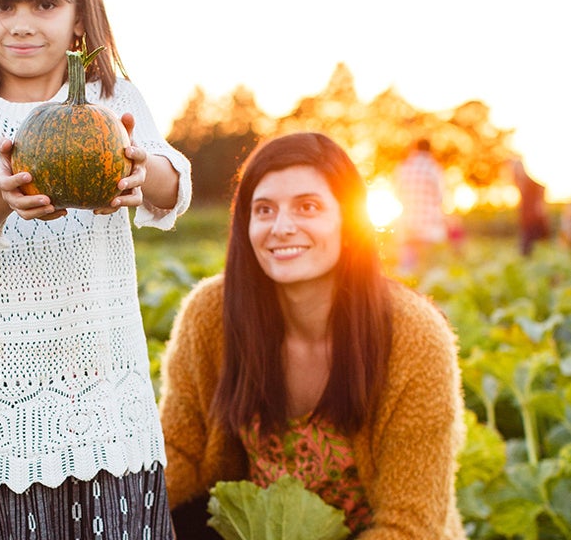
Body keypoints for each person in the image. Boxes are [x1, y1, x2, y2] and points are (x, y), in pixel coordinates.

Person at [0, 0, 191, 539]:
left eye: (44, 4)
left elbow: (173, 186)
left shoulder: (113, 99)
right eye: (2, 4)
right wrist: (0, 191)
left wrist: (138, 171)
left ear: (79, 14)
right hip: (3, 394)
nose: (21, 22)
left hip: (103, 389)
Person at [159, 132, 466, 539]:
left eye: (308, 206)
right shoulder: (211, 313)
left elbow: (409, 524)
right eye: (264, 209)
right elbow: (181, 452)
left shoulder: (415, 336)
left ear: (349, 220)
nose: (282, 227)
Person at [394, 138, 447, 274]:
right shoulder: (434, 168)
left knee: (407, 259)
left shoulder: (404, 167)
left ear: (415, 148)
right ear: (430, 150)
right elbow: (441, 195)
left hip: (408, 217)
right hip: (428, 218)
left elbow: (397, 192)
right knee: (428, 261)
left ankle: (407, 280)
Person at [511, 158, 549, 256]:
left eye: (518, 168)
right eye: (515, 168)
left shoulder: (529, 182)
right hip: (526, 217)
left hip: (533, 217)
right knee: (526, 243)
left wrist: (540, 204)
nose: (516, 171)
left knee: (530, 242)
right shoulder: (519, 182)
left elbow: (542, 187)